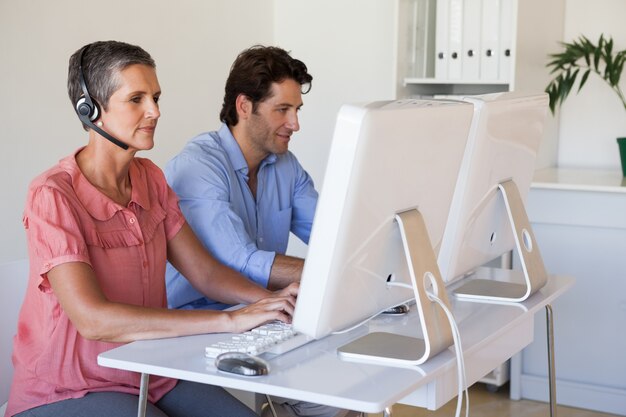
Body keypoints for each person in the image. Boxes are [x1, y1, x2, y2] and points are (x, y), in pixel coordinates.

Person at [5, 40, 297, 417]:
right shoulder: (52, 195)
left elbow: (205, 273)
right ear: (89, 108)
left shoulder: (151, 179)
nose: (154, 111)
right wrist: (228, 320)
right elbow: (93, 319)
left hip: (150, 371)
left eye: (156, 97)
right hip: (70, 389)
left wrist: (269, 304)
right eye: (136, 99)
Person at [164, 46, 357, 417]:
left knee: (352, 391)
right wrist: (331, 273)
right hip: (197, 330)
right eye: (282, 110)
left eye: (297, 109)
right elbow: (239, 260)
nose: (295, 123)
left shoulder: (286, 166)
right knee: (332, 396)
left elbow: (333, 236)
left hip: (262, 314)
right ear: (244, 107)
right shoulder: (197, 167)